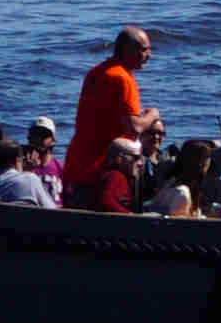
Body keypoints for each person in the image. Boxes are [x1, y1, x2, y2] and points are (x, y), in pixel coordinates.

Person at [64, 27, 155, 209]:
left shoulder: (96, 72)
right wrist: (153, 115)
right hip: (101, 173)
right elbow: (134, 127)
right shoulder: (122, 78)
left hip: (75, 167)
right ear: (128, 50)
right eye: (144, 49)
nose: (149, 55)